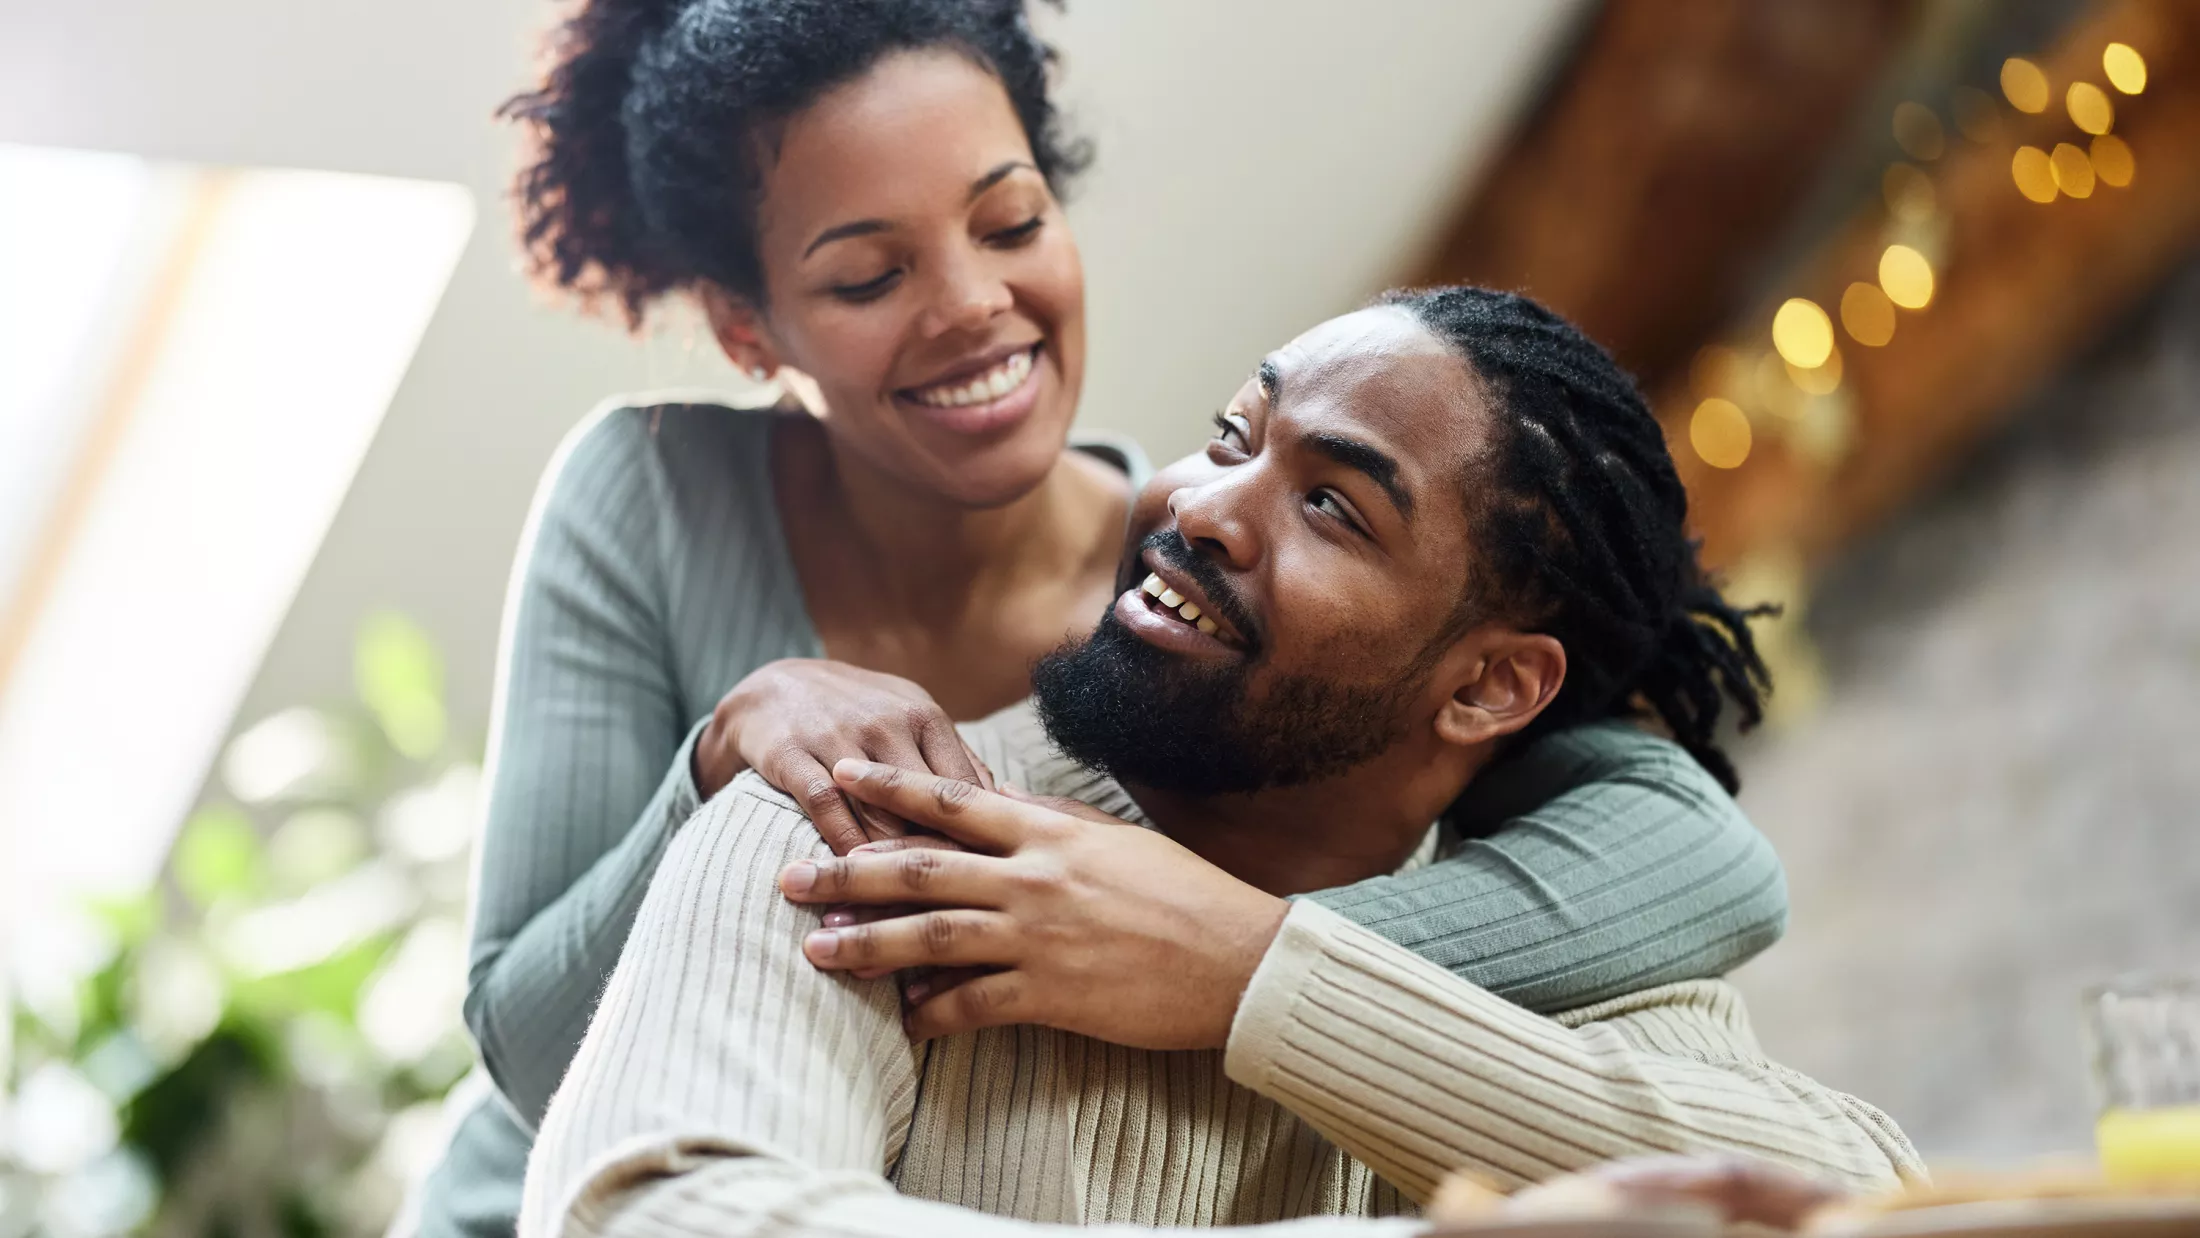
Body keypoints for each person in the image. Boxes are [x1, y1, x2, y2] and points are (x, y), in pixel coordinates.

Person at [419, 2, 1787, 1233]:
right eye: (865, 276)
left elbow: (1707, 865)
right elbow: (552, 1062)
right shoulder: (659, 515)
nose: (970, 305)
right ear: (748, 330)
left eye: (1008, 223)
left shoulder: (1212, 609)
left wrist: (1224, 951)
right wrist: (721, 754)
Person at [517, 289, 1923, 1238]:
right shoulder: (856, 818)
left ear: (1491, 685)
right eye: (1233, 439)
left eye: (1329, 502)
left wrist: (1259, 975)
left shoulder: (1570, 945)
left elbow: (1874, 1204)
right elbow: (653, 1211)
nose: (1196, 509)